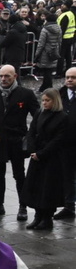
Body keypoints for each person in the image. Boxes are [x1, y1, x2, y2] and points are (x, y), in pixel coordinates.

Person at [0, 65, 38, 221]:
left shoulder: (26, 94)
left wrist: (29, 136)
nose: (3, 79)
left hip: (16, 139)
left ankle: (22, 206)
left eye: (7, 76)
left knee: (19, 174)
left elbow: (37, 116)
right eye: (1, 76)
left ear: (15, 76)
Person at [23, 89, 67, 230]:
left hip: (51, 158)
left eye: (47, 100)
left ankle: (47, 218)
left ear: (55, 101)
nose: (44, 103)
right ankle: (38, 216)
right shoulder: (39, 113)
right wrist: (32, 150)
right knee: (35, 187)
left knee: (48, 189)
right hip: (37, 155)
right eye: (43, 100)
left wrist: (41, 153)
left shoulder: (62, 117)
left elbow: (58, 139)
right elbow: (32, 131)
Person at [55, 67, 76, 219]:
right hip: (64, 143)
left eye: (73, 78)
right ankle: (69, 205)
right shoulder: (60, 94)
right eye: (67, 77)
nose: (69, 80)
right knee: (67, 175)